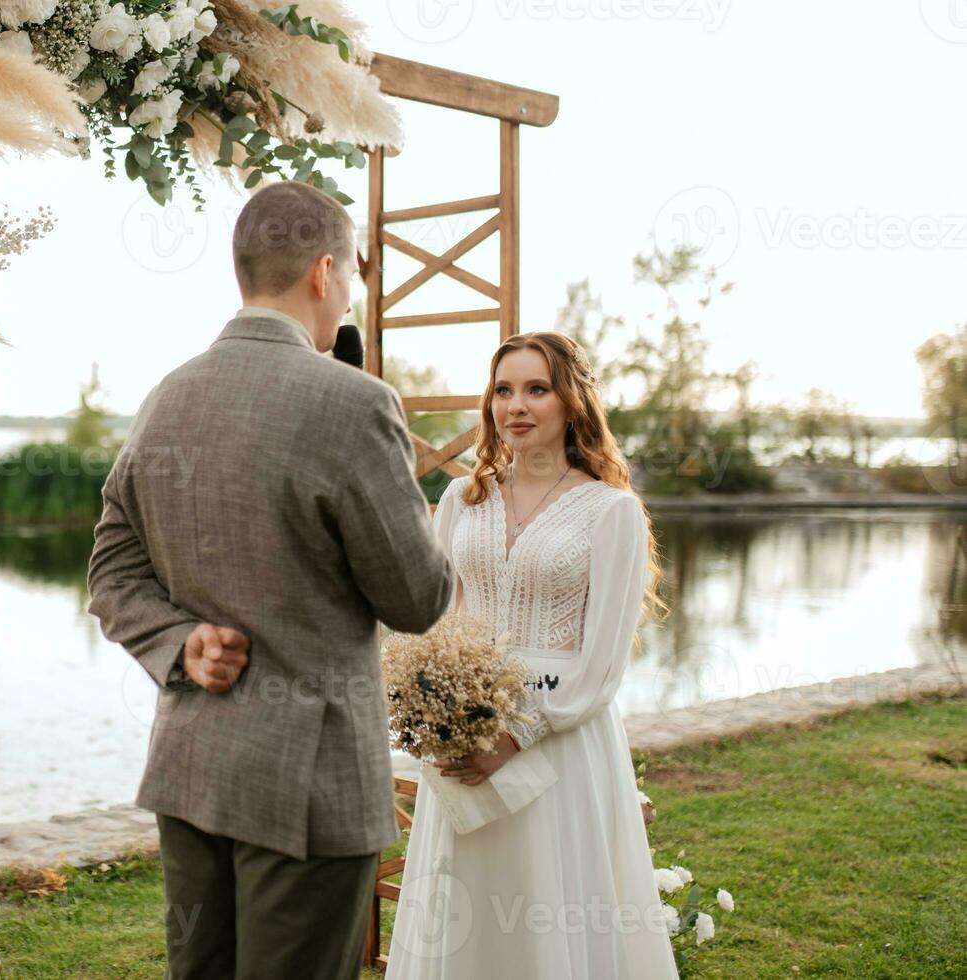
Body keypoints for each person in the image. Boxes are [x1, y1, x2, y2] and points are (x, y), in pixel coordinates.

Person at [86, 180, 456, 980]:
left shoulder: (164, 399)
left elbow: (111, 569)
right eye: (354, 272)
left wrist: (180, 642)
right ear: (324, 272)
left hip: (193, 772)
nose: (352, 292)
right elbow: (418, 600)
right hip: (310, 788)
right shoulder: (356, 405)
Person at [387, 332, 680, 979]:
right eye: (503, 390)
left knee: (550, 911)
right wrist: (439, 712)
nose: (516, 405)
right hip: (465, 736)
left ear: (572, 399)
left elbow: (603, 660)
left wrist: (515, 734)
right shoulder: (462, 501)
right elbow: (439, 624)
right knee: (465, 916)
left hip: (561, 738)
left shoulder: (612, 512)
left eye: (536, 389)